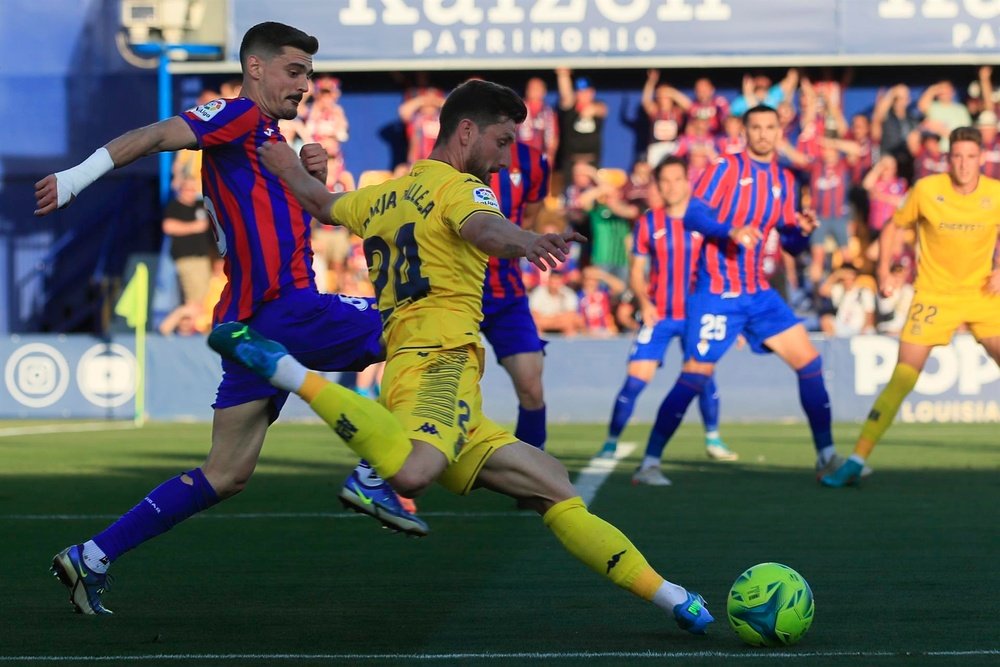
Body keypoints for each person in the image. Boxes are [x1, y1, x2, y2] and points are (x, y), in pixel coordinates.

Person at [247, 78, 715, 632]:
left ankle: (673, 598)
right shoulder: (462, 189)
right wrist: (527, 241)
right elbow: (485, 228)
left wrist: (285, 165)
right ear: (466, 130)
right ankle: (298, 384)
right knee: (414, 473)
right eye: (501, 140)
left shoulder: (382, 194)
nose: (504, 155)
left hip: (418, 365)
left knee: (552, 482)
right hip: (441, 360)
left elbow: (322, 203)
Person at [36, 21, 422, 616]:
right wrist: (74, 179)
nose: (304, 86)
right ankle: (378, 472)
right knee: (422, 325)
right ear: (256, 69)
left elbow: (290, 219)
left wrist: (310, 177)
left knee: (226, 473)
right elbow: (155, 134)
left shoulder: (268, 142)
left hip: (252, 326)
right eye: (294, 72)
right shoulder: (236, 117)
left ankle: (93, 555)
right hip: (286, 307)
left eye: (309, 76)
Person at [633, 105, 853, 485]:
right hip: (717, 293)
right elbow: (694, 215)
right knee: (695, 376)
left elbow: (791, 244)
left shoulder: (784, 179)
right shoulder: (726, 168)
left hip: (758, 293)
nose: (764, 134)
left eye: (770, 127)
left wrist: (801, 230)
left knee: (810, 363)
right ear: (745, 131)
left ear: (779, 130)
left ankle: (826, 456)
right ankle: (649, 463)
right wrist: (729, 230)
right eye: (756, 127)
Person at [821, 126, 1000, 487]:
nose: (964, 165)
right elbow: (892, 227)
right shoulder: (927, 190)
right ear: (948, 159)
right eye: (957, 157)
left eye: (970, 157)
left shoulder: (995, 194)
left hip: (983, 296)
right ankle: (857, 459)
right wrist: (886, 269)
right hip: (933, 297)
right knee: (903, 377)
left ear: (981, 159)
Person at [598, 157, 736, 473]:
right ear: (658, 186)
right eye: (665, 181)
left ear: (688, 181)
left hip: (696, 315)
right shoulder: (649, 222)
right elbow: (636, 271)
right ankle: (611, 440)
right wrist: (644, 302)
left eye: (677, 179)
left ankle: (713, 439)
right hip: (659, 314)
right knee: (635, 381)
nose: (672, 186)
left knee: (703, 377)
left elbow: (723, 269)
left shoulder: (706, 219)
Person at [482, 141, 551, 449]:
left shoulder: (533, 162)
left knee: (531, 384)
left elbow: (528, 219)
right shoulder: (449, 155)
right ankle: (381, 476)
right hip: (454, 289)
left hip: (506, 291)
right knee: (426, 385)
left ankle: (532, 475)